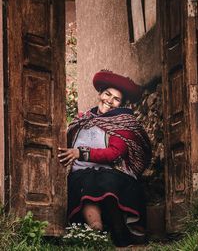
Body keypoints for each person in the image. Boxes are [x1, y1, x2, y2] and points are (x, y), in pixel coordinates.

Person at [58, 70, 152, 247]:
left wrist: (81, 153)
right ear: (100, 94)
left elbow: (115, 153)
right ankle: (96, 232)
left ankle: (120, 233)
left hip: (113, 173)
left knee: (103, 180)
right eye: (107, 94)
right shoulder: (82, 121)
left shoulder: (122, 123)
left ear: (121, 104)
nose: (109, 100)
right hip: (83, 175)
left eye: (116, 99)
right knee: (83, 180)